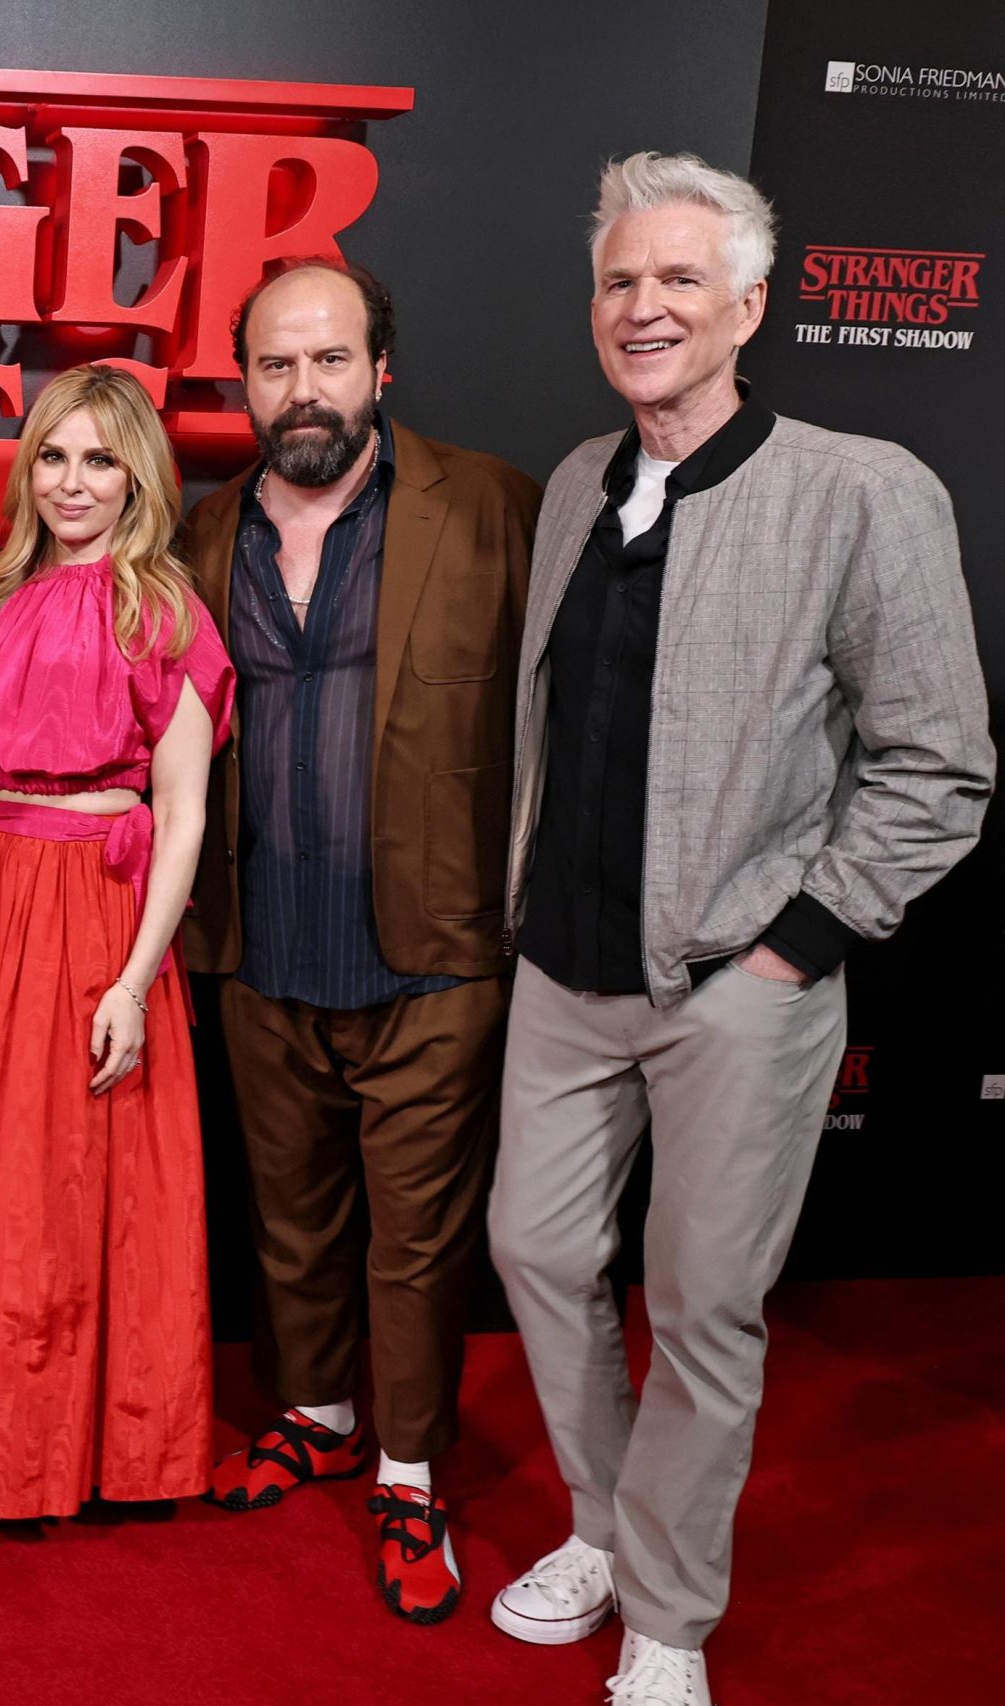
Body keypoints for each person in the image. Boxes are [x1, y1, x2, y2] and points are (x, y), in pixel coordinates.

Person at [487, 153, 991, 1706]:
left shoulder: (861, 491)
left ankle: (669, 1612)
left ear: (751, 305)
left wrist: (797, 945)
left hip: (739, 988)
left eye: (679, 279)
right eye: (619, 281)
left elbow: (940, 765)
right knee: (536, 1249)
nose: (642, 307)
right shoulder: (576, 482)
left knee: (703, 1308)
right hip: (563, 971)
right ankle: (602, 1525)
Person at [180, 261, 540, 1623]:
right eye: (276, 365)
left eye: (329, 360)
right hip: (258, 946)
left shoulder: (491, 506)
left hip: (432, 954)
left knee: (415, 1238)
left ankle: (408, 1469)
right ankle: (317, 1412)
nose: (304, 391)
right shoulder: (202, 533)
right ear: (244, 383)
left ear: (381, 367)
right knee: (292, 1218)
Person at [0, 365, 234, 1521]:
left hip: (95, 914)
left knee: (79, 1188)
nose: (73, 481)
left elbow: (182, 813)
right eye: (53, 455)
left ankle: (86, 1450)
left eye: (99, 459)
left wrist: (134, 980)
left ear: (138, 476)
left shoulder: (166, 611)